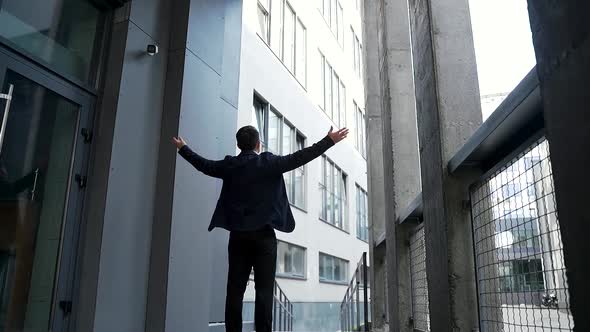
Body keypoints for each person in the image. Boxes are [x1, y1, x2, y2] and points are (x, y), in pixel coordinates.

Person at [172, 125, 348, 332]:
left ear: (239, 145)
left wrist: (183, 148)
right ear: (258, 144)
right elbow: (301, 156)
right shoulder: (268, 163)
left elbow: (204, 165)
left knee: (235, 291)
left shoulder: (231, 166)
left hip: (238, 237)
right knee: (264, 291)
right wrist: (329, 140)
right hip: (264, 237)